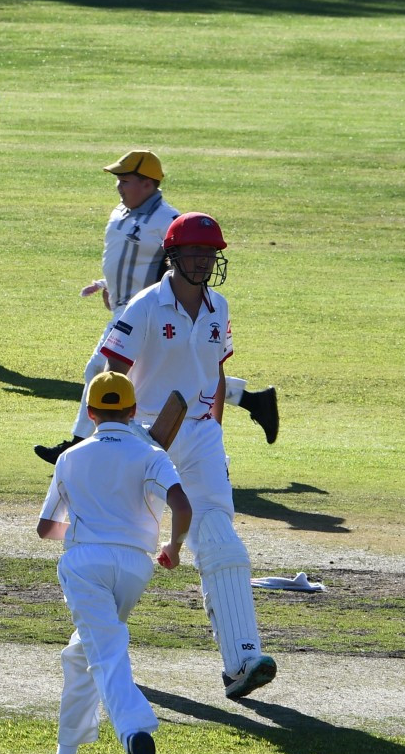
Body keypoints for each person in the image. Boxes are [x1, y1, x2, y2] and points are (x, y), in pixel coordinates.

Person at [100, 211, 278, 701]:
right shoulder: (146, 306)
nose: (202, 261)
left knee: (221, 537)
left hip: (199, 435)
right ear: (173, 256)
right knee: (126, 545)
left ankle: (242, 660)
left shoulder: (219, 306)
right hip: (143, 432)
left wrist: (215, 435)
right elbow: (111, 367)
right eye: (194, 253)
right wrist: (107, 433)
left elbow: (216, 374)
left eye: (210, 253)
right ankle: (98, 648)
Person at [34, 150, 279, 464]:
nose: (119, 187)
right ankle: (254, 402)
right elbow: (124, 260)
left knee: (100, 368)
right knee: (167, 372)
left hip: (149, 309)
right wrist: (106, 285)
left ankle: (81, 445)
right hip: (126, 306)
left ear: (148, 184)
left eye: (126, 181)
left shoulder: (169, 220)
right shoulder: (120, 214)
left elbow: (181, 265)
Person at [32, 370, 192, 754]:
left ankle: (136, 733)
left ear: (90, 412)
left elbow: (46, 529)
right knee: (82, 656)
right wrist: (173, 547)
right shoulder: (151, 453)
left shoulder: (70, 458)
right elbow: (181, 505)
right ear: (133, 410)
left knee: (106, 657)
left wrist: (89, 522)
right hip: (135, 567)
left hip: (86, 565)